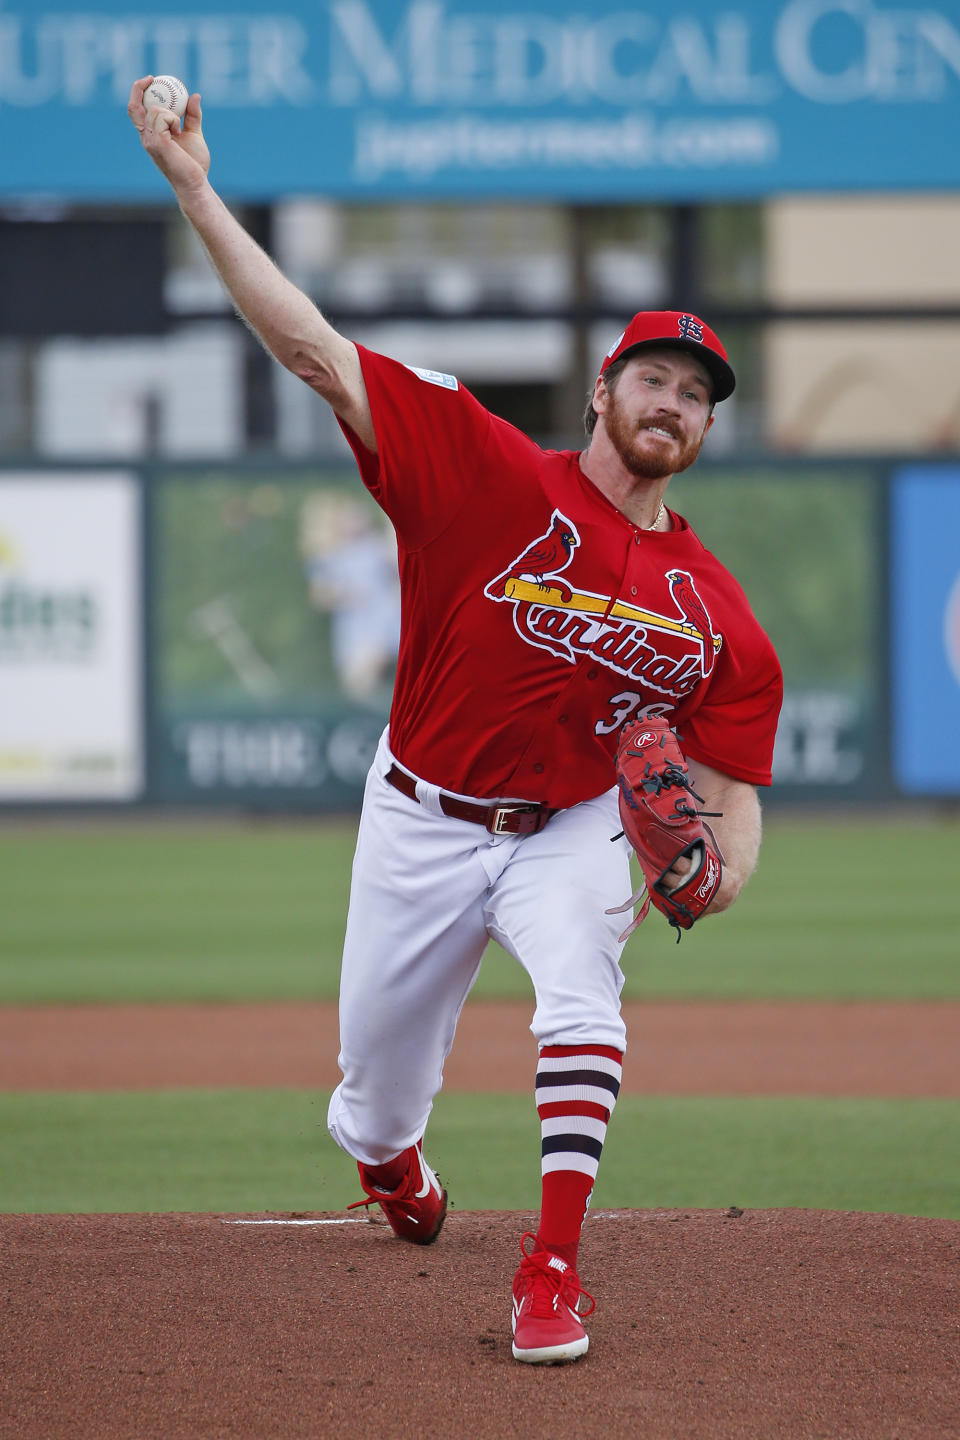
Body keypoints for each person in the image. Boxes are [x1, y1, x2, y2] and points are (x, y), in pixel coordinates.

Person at [129, 78, 783, 1366]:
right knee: (372, 1101)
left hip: (573, 823)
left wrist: (723, 869)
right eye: (652, 376)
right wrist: (197, 188)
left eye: (695, 395)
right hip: (420, 814)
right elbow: (315, 347)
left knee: (584, 996)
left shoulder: (714, 611)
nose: (671, 403)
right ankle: (393, 1167)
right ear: (603, 392)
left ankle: (553, 1272)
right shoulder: (482, 469)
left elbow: (734, 779)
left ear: (706, 430)